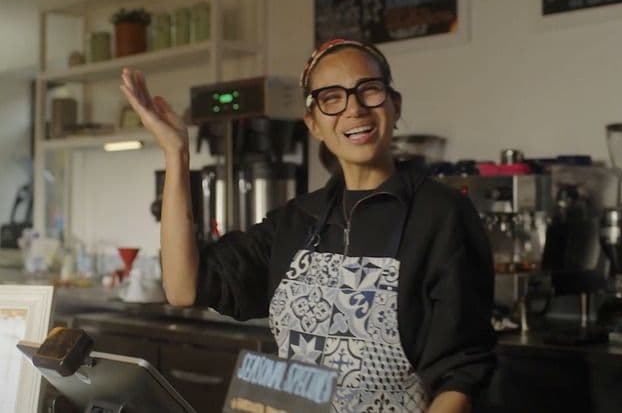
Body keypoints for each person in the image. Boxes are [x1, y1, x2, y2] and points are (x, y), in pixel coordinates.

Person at [120, 38, 496, 413]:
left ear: (395, 105)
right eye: (333, 98)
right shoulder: (299, 219)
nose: (355, 109)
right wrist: (176, 153)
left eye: (370, 90)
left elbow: (459, 374)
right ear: (313, 123)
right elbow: (184, 287)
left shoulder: (442, 215)